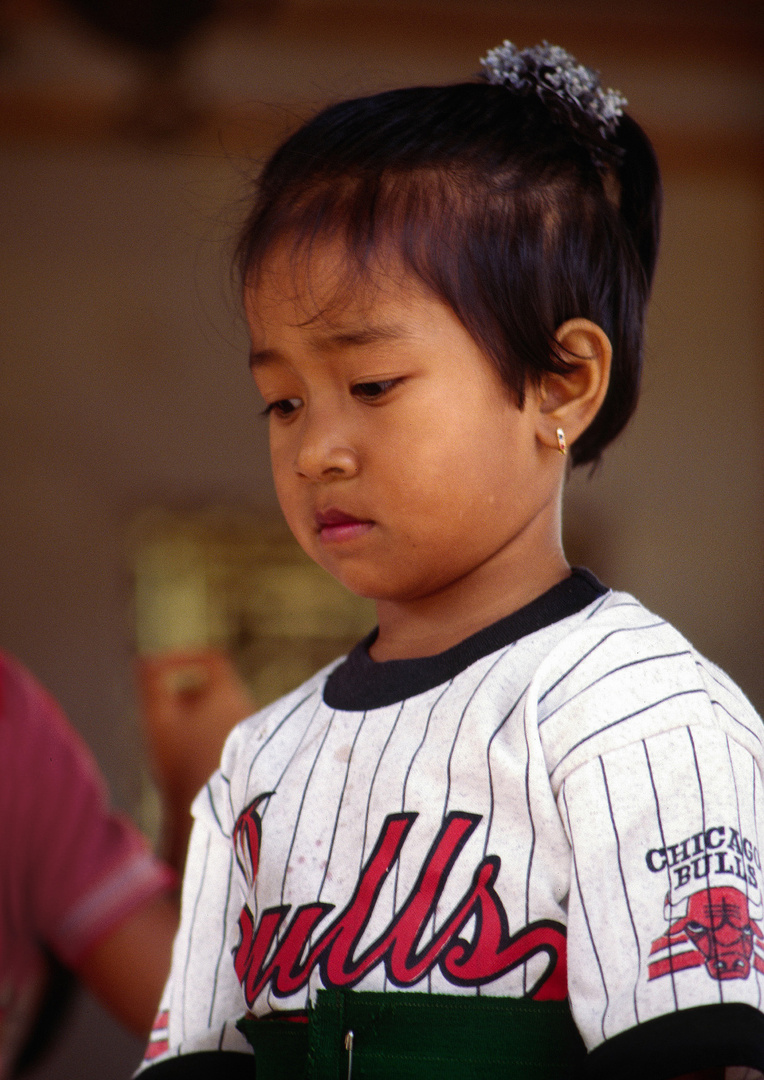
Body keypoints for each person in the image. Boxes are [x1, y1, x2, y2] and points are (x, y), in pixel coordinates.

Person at [138, 41, 764, 1079]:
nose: (315, 447)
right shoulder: (256, 764)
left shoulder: (642, 719)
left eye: (372, 384)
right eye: (283, 400)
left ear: (561, 383)